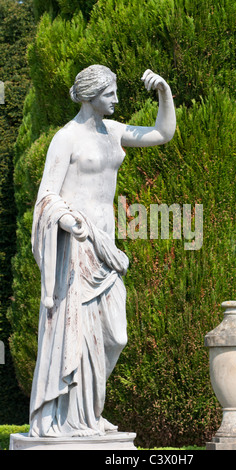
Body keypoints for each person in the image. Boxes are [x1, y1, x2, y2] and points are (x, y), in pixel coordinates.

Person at [29, 65, 176, 437]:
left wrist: (164, 92)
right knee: (75, 335)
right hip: (76, 248)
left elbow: (162, 133)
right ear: (91, 95)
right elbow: (47, 195)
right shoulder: (66, 138)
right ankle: (73, 418)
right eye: (110, 93)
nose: (116, 99)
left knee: (115, 336)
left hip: (105, 250)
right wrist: (63, 218)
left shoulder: (113, 132)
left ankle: (88, 412)